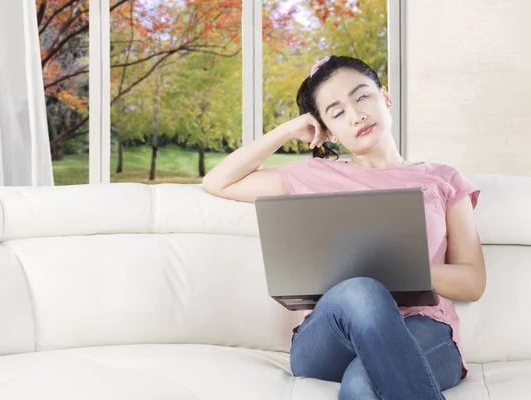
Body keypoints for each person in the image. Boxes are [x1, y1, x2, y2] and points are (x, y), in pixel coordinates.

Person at [202, 55, 486, 400]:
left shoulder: (442, 178)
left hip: (423, 328)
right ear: (327, 130)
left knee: (363, 385)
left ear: (385, 96)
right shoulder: (313, 176)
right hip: (329, 337)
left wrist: (400, 270)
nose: (356, 115)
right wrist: (288, 130)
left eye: (362, 96)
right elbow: (218, 181)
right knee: (361, 290)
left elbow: (472, 282)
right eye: (336, 113)